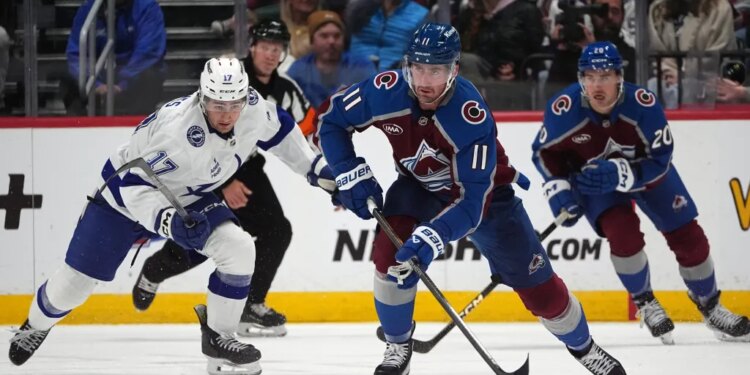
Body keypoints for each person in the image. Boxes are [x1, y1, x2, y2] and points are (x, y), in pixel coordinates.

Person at [317, 22, 626, 375]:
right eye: (418, 68)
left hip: (488, 199)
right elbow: (332, 121)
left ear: (454, 70)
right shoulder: (384, 89)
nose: (424, 81)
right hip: (418, 187)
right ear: (407, 65)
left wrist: (435, 236)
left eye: (436, 70)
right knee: (390, 256)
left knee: (542, 292)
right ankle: (397, 345)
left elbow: (472, 202)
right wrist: (349, 170)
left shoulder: (471, 115)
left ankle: (585, 348)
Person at [9, 57, 336, 374]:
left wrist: (319, 170)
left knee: (238, 247)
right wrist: (168, 221)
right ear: (201, 97)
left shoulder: (251, 105)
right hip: (120, 200)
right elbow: (134, 186)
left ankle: (220, 337)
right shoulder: (178, 132)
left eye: (233, 104)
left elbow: (281, 128)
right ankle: (35, 325)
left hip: (187, 194)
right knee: (74, 286)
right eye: (217, 105)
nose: (226, 114)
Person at [531, 41, 750, 346]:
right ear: (581, 78)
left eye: (605, 75)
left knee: (689, 236)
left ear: (619, 76)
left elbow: (662, 157)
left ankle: (711, 306)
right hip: (597, 184)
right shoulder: (564, 109)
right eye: (590, 76)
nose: (597, 84)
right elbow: (543, 153)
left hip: (649, 175)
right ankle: (645, 302)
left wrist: (625, 174)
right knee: (624, 236)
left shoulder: (642, 105)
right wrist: (560, 192)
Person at [132, 19, 319, 338]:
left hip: (247, 170)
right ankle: (154, 270)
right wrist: (222, 183)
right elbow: (195, 134)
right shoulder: (229, 76)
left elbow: (306, 131)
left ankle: (251, 305)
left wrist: (326, 176)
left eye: (278, 48)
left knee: (277, 230)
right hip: (203, 169)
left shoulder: (286, 89)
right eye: (265, 46)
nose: (271, 54)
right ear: (252, 47)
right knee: (201, 241)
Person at [64, 0, 167, 115]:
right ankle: (78, 129)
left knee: (150, 76)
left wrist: (123, 83)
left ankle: (138, 128)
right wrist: (95, 84)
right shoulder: (88, 8)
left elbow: (148, 52)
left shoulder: (147, 7)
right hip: (100, 75)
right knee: (69, 80)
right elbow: (76, 54)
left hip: (134, 77)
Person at [287, 10, 377, 107]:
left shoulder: (361, 66)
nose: (331, 41)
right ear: (312, 40)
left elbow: (374, 100)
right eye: (324, 36)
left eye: (337, 36)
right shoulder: (299, 69)